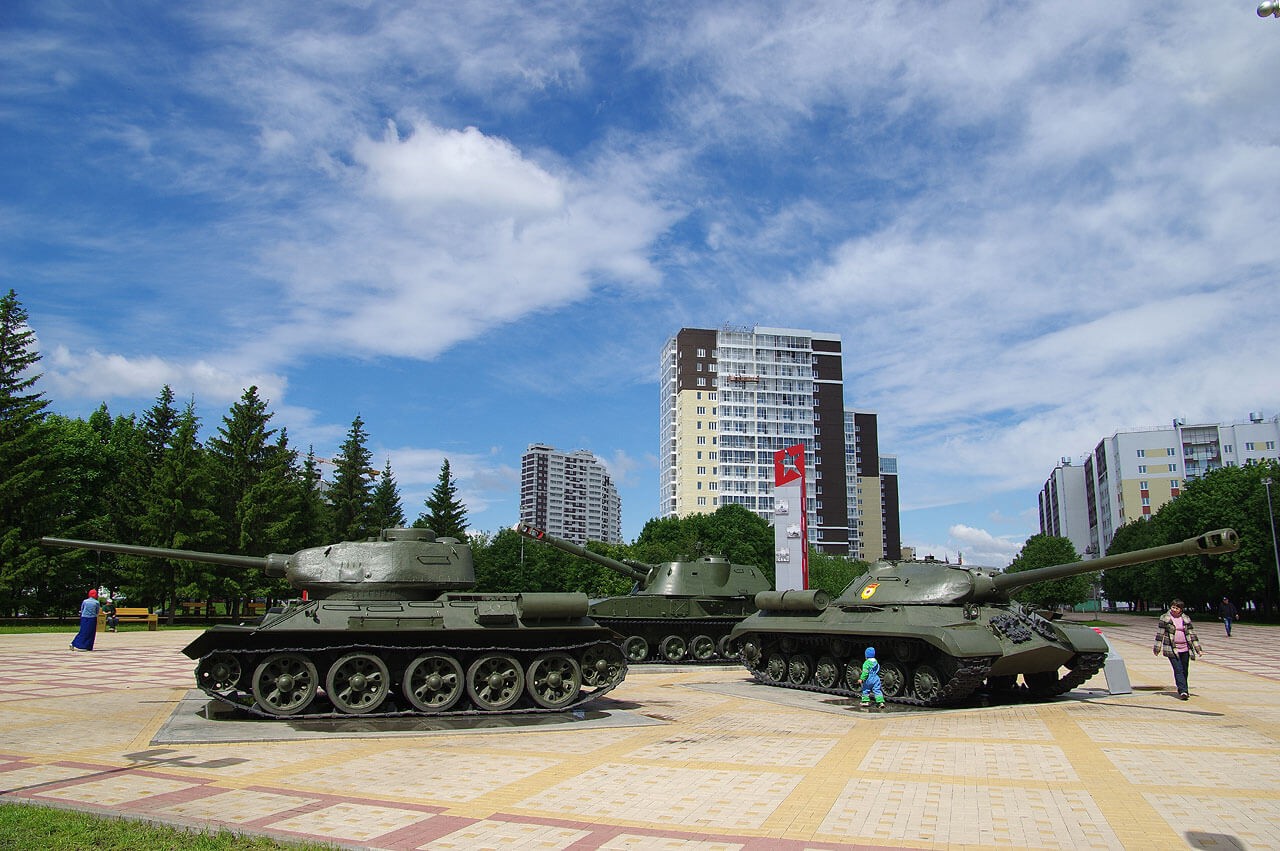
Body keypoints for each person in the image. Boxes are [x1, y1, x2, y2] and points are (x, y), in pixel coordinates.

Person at [1153, 599, 1202, 700]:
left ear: (1181, 609)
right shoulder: (1165, 618)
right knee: (1178, 670)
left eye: (1176, 608)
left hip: (1185, 648)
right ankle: (1183, 691)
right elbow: (1160, 634)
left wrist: (1198, 649)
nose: (1174, 609)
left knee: (1184, 670)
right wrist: (1157, 648)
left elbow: (1192, 634)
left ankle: (1183, 688)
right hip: (1172, 648)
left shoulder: (1185, 619)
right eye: (1173, 607)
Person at [859, 646, 886, 711]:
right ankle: (880, 702)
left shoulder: (866, 663)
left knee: (866, 689)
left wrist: (861, 679)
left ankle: (865, 701)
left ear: (866, 656)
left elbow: (865, 672)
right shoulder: (876, 662)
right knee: (877, 690)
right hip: (876, 678)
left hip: (869, 679)